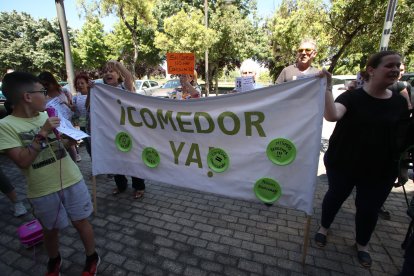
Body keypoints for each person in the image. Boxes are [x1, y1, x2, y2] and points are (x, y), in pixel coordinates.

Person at [315, 51, 409, 268]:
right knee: (335, 196)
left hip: (381, 170)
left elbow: (402, 139)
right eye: (389, 65)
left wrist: (402, 169)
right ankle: (323, 227)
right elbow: (332, 115)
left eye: (398, 65)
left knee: (368, 208)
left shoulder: (399, 103)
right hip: (344, 164)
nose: (395, 69)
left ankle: (362, 244)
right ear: (371, 70)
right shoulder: (351, 97)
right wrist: (327, 86)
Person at [0, 72, 100, 275]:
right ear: (27, 96)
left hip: (72, 179)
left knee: (81, 221)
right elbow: (22, 161)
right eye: (42, 92)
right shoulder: (5, 126)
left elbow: (59, 146)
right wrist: (42, 133)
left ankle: (92, 256)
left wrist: (70, 140)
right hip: (42, 188)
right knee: (50, 228)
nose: (46, 96)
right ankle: (54, 260)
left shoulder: (48, 114)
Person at [102, 60, 146, 199]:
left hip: (129, 132)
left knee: (133, 159)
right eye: (106, 71)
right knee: (116, 160)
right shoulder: (102, 91)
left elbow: (129, 77)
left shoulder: (124, 87)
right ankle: (121, 185)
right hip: (112, 132)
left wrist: (118, 65)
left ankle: (139, 187)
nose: (108, 73)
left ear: (118, 75)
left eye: (111, 71)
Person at [378, 63, 413, 220]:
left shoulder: (403, 87)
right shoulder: (400, 88)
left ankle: (377, 204)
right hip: (386, 144)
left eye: (401, 70)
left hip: (399, 143)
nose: (397, 72)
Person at [37, 72, 79, 163]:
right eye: (43, 85)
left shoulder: (64, 91)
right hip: (54, 124)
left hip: (68, 122)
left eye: (47, 84)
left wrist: (68, 105)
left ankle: (74, 163)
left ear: (52, 81)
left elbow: (72, 106)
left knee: (71, 144)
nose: (46, 86)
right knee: (59, 145)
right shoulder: (43, 95)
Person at [73, 73, 91, 158]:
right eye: (78, 83)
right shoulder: (76, 97)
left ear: (87, 83)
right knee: (88, 145)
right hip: (82, 124)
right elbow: (76, 113)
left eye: (82, 83)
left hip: (93, 123)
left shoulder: (93, 94)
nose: (80, 85)